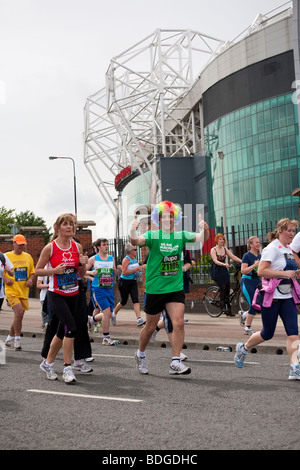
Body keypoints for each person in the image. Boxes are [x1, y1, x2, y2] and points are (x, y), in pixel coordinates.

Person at [130, 200, 209, 375]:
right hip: (155, 288)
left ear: (175, 219)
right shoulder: (153, 235)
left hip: (174, 287)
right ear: (159, 219)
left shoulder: (181, 235)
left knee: (179, 322)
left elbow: (200, 239)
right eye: (164, 217)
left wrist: (205, 229)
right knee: (150, 327)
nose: (168, 220)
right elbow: (136, 241)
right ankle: (140, 353)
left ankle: (175, 361)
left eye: (171, 217)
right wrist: (132, 230)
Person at [234, 218, 300, 380]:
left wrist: (294, 272)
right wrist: (284, 274)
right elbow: (261, 271)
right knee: (267, 333)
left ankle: (294, 368)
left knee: (293, 333)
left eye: (294, 231)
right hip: (272, 298)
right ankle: (243, 348)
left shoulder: (289, 249)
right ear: (280, 230)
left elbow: (295, 268)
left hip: (287, 297)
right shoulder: (272, 248)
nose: (292, 234)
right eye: (289, 231)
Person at [36, 213, 88, 383]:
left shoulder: (76, 247)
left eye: (72, 224)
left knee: (61, 331)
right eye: (66, 224)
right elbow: (37, 270)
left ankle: (48, 363)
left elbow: (81, 274)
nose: (69, 227)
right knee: (71, 328)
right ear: (58, 227)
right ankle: (67, 368)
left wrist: (83, 263)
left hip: (73, 293)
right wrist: (53, 271)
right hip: (56, 293)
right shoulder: (50, 248)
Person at [87, 238, 121, 345]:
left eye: (107, 244)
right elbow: (81, 271)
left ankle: (91, 320)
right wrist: (92, 275)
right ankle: (106, 338)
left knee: (109, 314)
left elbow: (113, 272)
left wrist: (119, 270)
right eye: (104, 244)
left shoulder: (111, 258)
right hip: (98, 289)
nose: (106, 246)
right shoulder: (93, 259)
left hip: (109, 289)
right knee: (106, 312)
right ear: (98, 247)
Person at [4, 234, 35, 350]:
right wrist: (5, 279)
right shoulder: (6, 256)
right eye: (19, 244)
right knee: (19, 313)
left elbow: (32, 272)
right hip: (11, 290)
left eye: (23, 244)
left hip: (23, 290)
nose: (21, 247)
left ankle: (9, 339)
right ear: (14, 243)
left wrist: (30, 279)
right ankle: (17, 340)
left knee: (19, 316)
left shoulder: (28, 257)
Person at [112, 243, 145, 326]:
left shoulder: (134, 259)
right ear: (130, 251)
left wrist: (139, 272)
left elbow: (136, 270)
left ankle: (139, 318)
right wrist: (136, 269)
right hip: (124, 282)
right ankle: (114, 314)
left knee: (135, 299)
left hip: (133, 281)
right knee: (124, 301)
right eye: (135, 249)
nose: (137, 251)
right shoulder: (126, 259)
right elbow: (124, 272)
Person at [210, 233, 242, 316]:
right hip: (216, 270)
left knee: (227, 288)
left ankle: (229, 310)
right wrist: (223, 264)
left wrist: (242, 261)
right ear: (216, 240)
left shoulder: (225, 249)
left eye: (223, 239)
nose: (222, 241)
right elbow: (215, 261)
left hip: (224, 270)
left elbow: (233, 256)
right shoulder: (213, 249)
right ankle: (222, 306)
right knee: (223, 287)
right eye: (220, 239)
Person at [239, 236, 261, 335]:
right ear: (250, 244)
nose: (258, 244)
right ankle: (247, 327)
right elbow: (243, 270)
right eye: (256, 242)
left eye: (259, 242)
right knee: (253, 303)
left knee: (258, 304)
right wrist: (255, 265)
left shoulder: (260, 256)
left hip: (257, 281)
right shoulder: (247, 256)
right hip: (247, 281)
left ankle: (244, 314)